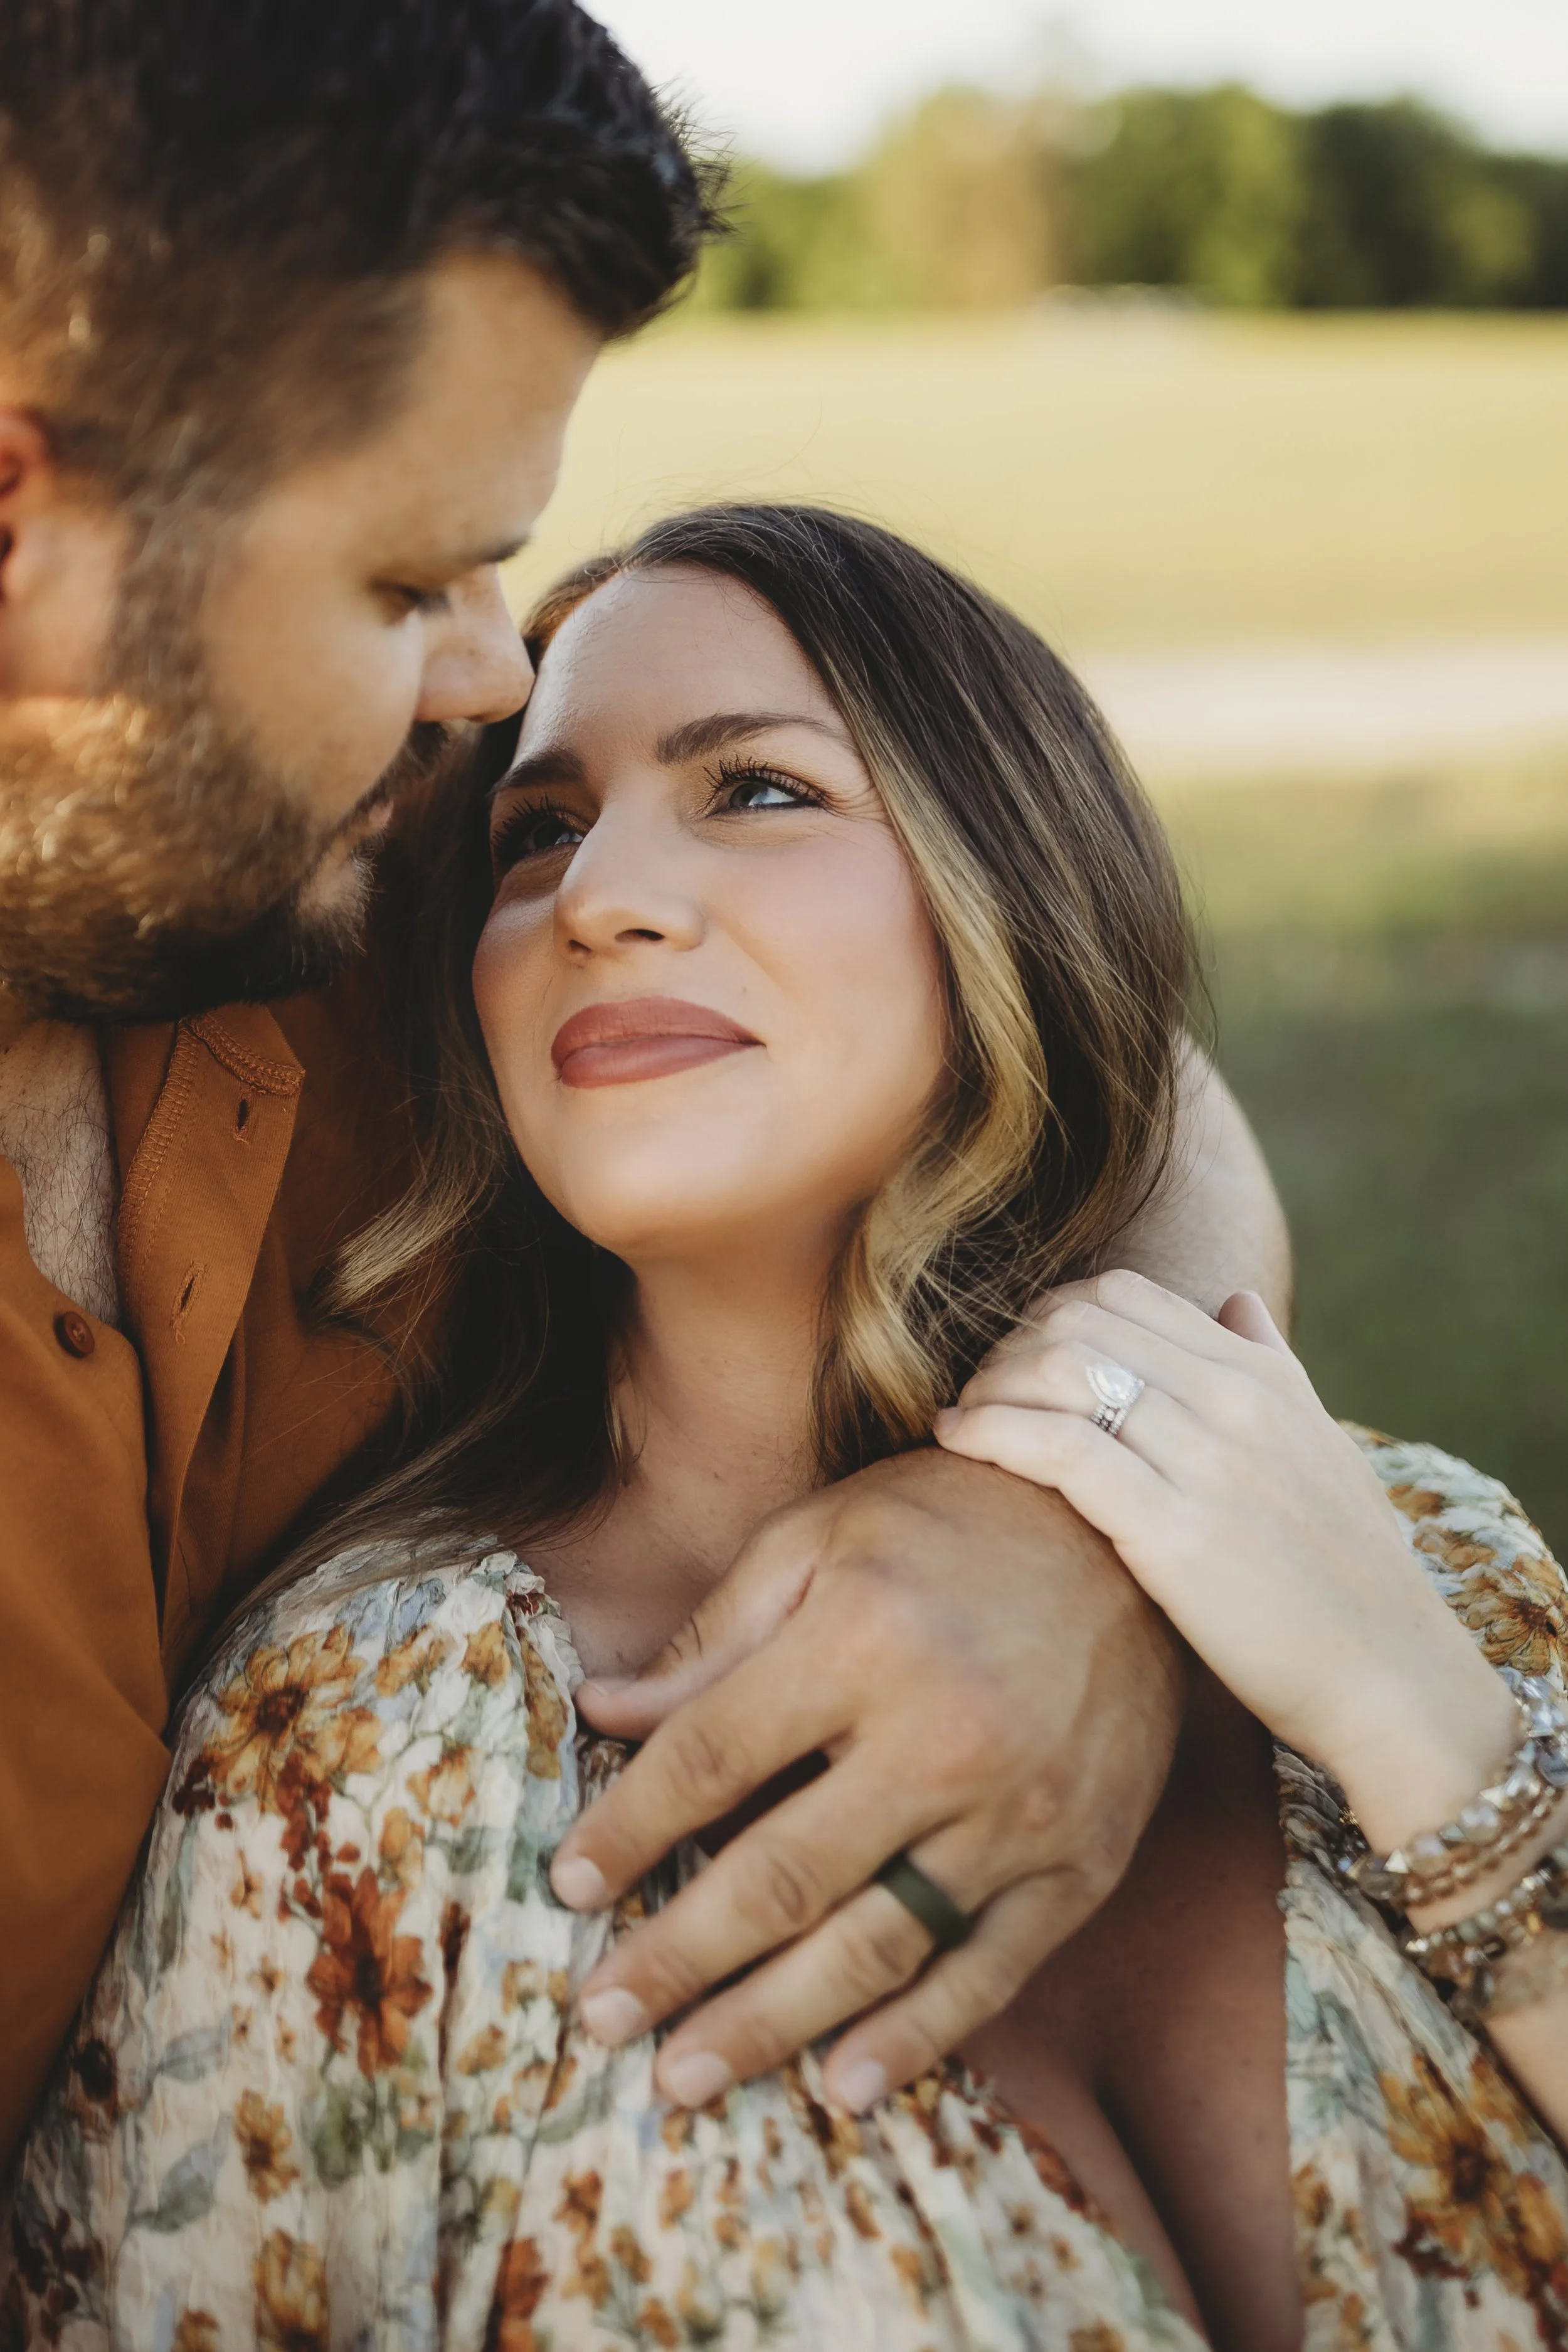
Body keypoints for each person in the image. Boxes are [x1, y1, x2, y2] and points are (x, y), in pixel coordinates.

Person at [13, 507, 1567, 2351]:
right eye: (536, 832)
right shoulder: (370, 1749)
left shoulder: (1415, 1551)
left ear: (1012, 871)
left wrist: (1416, 1723)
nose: (600, 895)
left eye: (752, 788)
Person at [0, 0, 1289, 2166]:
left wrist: (1058, 1514)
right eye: (407, 578)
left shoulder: (349, 907)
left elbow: (1096, 1063)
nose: (491, 678)